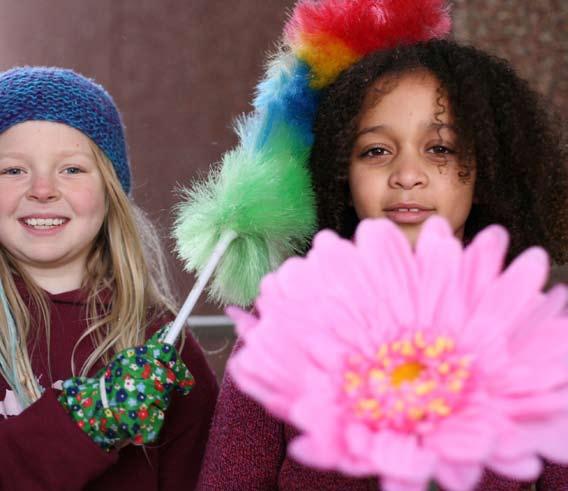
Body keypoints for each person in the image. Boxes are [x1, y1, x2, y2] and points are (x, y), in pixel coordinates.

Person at [197, 37, 568, 491]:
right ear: (340, 172)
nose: (407, 174)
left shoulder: (529, 327)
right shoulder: (286, 317)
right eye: (376, 150)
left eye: (440, 149)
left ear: (487, 166)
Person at [0, 66, 218, 490]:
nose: (42, 189)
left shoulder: (159, 340)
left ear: (110, 192)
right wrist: (84, 422)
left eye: (72, 170)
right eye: (12, 170)